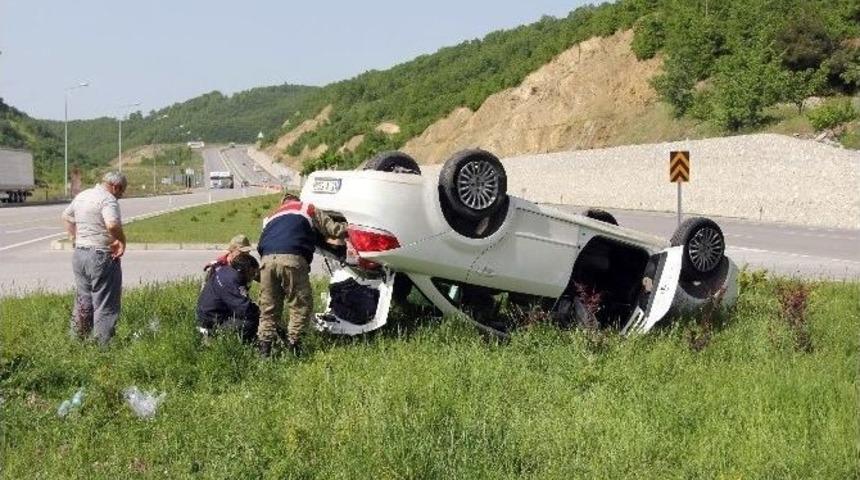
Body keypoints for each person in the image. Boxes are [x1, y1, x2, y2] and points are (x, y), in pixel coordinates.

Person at [256, 192, 347, 357]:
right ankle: (294, 349)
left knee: (268, 309)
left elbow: (263, 241)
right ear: (297, 200)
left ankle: (264, 353)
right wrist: (352, 229)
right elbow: (334, 230)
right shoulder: (307, 207)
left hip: (266, 261)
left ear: (283, 203)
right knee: (300, 306)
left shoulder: (272, 216)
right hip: (292, 258)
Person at [61, 171, 128, 346]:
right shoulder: (108, 199)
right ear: (116, 187)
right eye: (122, 191)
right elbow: (112, 224)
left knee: (83, 300)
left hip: (80, 254)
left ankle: (77, 342)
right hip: (100, 255)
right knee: (105, 303)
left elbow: (66, 217)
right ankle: (102, 348)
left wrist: (74, 238)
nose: (121, 195)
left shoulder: (83, 195)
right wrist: (121, 240)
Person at [196, 252, 261, 343]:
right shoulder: (233, 281)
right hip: (213, 323)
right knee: (251, 321)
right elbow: (244, 309)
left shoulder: (226, 271)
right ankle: (220, 340)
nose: (253, 277)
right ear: (247, 270)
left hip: (207, 316)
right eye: (252, 273)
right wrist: (261, 312)